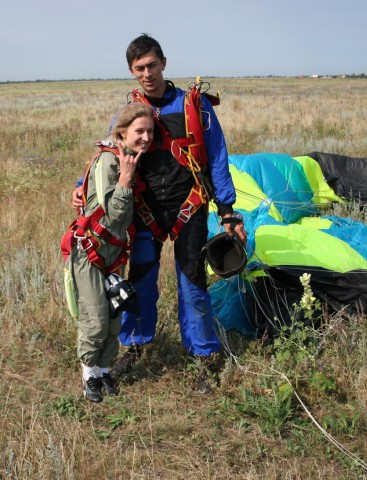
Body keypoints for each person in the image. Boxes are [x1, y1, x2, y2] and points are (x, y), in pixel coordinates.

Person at [73, 34, 247, 390]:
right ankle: (136, 346)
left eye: (152, 65)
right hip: (144, 211)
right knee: (139, 282)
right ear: (131, 71)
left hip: (189, 208)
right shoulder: (131, 112)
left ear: (163, 63)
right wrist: (82, 186)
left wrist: (227, 210)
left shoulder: (195, 106)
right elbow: (108, 151)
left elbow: (217, 156)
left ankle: (202, 357)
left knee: (193, 283)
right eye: (139, 68)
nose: (147, 73)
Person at [63, 103, 154, 402]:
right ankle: (89, 375)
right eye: (139, 131)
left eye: (150, 131)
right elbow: (113, 216)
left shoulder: (127, 158)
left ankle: (104, 370)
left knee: (115, 316)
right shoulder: (110, 161)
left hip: (114, 253)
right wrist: (125, 181)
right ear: (122, 132)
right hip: (90, 251)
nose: (145, 137)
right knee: (96, 319)